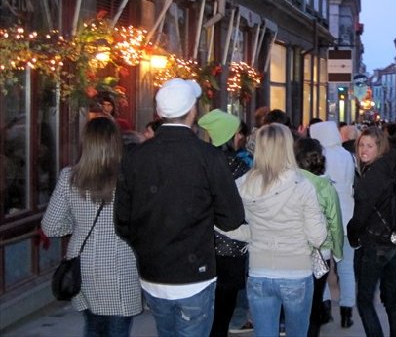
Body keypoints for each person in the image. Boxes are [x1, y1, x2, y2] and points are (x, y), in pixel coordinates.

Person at [115, 78, 245, 337]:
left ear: (160, 114)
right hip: (194, 275)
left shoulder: (136, 156)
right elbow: (232, 218)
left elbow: (122, 222)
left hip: (152, 273)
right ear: (193, 111)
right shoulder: (208, 156)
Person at [217, 123, 327, 337]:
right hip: (297, 271)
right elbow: (317, 236)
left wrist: (253, 235)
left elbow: (226, 225)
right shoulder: (302, 185)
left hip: (260, 270)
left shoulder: (242, 184)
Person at [42, 117, 142, 336]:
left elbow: (50, 226)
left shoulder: (69, 176)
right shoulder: (130, 177)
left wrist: (77, 225)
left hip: (81, 263)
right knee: (117, 329)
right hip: (120, 264)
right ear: (116, 142)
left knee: (93, 326)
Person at [347, 127, 396, 337]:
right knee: (391, 296)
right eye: (361, 145)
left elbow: (361, 215)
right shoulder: (390, 167)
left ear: (379, 148)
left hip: (376, 243)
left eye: (369, 146)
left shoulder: (373, 176)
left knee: (364, 301)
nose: (363, 150)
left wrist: (352, 234)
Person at [197, 109, 252, 337]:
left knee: (204, 310)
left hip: (202, 246)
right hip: (232, 246)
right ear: (230, 136)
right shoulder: (239, 167)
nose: (241, 137)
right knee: (223, 310)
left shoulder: (201, 162)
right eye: (238, 133)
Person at [294, 137, 345, 337]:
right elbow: (335, 223)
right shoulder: (326, 186)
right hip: (319, 253)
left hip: (293, 250)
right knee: (314, 301)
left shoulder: (290, 182)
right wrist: (337, 254)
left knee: (295, 303)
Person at [309, 120, 357, 328]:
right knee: (346, 268)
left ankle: (325, 305)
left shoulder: (320, 156)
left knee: (322, 266)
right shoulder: (347, 156)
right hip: (347, 217)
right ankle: (347, 311)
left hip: (325, 219)